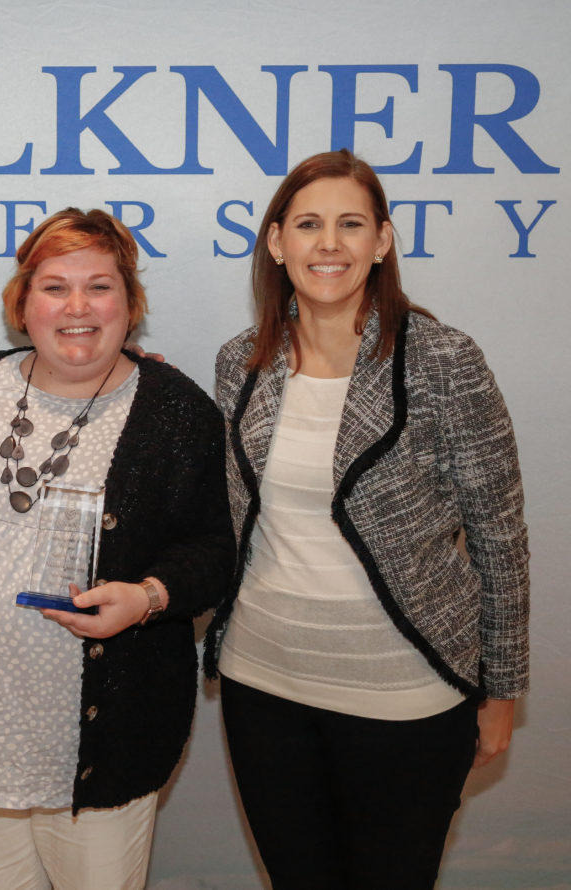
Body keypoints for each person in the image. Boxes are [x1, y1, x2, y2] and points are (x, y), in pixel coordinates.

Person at [203, 149, 529, 890]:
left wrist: (502, 691)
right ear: (276, 242)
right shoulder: (240, 365)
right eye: (308, 224)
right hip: (264, 690)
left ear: (381, 241)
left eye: (351, 224)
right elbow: (226, 511)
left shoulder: (443, 360)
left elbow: (500, 538)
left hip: (406, 698)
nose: (329, 244)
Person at [0, 208, 234, 890]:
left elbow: (217, 548)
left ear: (130, 304)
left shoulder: (176, 410)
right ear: (22, 303)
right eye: (55, 286)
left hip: (101, 744)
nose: (77, 307)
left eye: (100, 287)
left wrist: (150, 597)